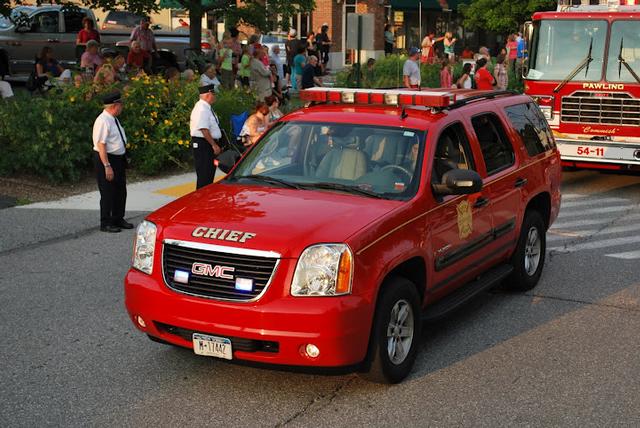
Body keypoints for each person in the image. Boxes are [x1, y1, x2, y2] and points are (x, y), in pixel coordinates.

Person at [92, 91, 132, 233]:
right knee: (108, 192)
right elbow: (101, 144)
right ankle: (106, 222)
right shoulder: (103, 120)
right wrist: (107, 166)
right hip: (107, 159)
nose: (122, 107)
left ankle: (118, 218)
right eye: (121, 105)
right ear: (115, 105)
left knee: (120, 190)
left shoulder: (113, 118)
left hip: (118, 159)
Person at [190, 84, 222, 189]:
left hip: (206, 143)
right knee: (204, 175)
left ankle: (204, 198)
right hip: (204, 144)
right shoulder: (201, 108)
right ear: (208, 95)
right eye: (213, 94)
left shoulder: (206, 108)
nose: (215, 97)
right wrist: (214, 145)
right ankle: (200, 200)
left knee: (209, 174)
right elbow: (203, 128)